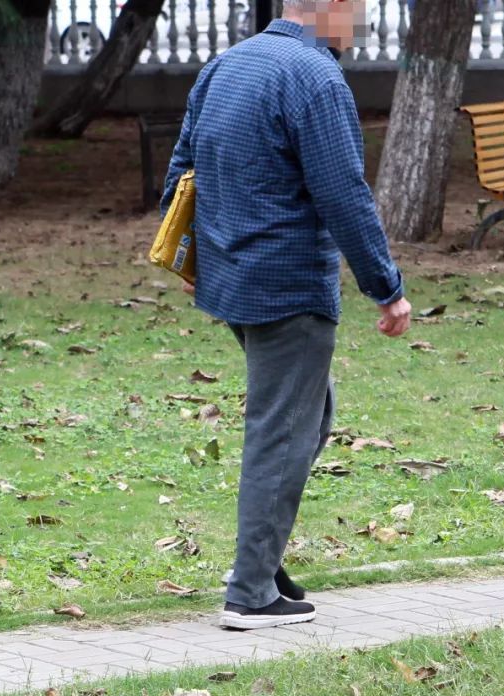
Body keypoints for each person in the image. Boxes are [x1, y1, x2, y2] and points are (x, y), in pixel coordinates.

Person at [161, 0, 410, 630]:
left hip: (233, 283)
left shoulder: (226, 65)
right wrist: (386, 288)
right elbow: (343, 194)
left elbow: (180, 173)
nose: (361, 24)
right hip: (288, 287)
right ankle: (248, 592)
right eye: (356, 10)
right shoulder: (315, 76)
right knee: (281, 430)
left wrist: (211, 253)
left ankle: (262, 560)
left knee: (310, 412)